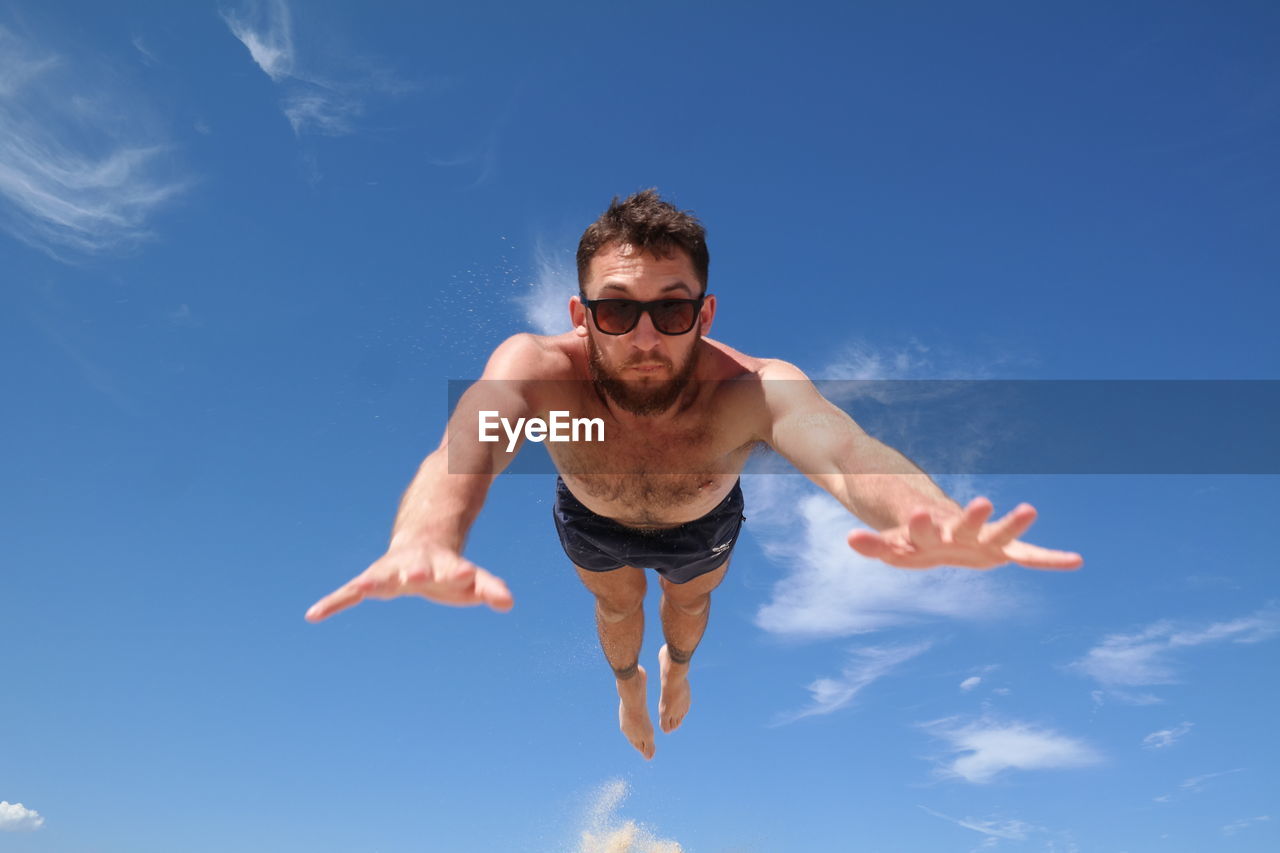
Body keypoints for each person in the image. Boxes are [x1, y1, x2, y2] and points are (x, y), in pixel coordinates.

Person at [305, 189, 1083, 760]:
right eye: (616, 311)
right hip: (591, 515)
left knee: (689, 601)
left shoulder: (751, 388)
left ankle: (677, 670)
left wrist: (929, 513)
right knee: (616, 606)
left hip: (701, 521)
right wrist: (427, 533)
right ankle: (628, 686)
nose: (645, 335)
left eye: (671, 311)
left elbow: (843, 449)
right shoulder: (539, 367)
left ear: (704, 315)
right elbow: (476, 432)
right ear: (581, 317)